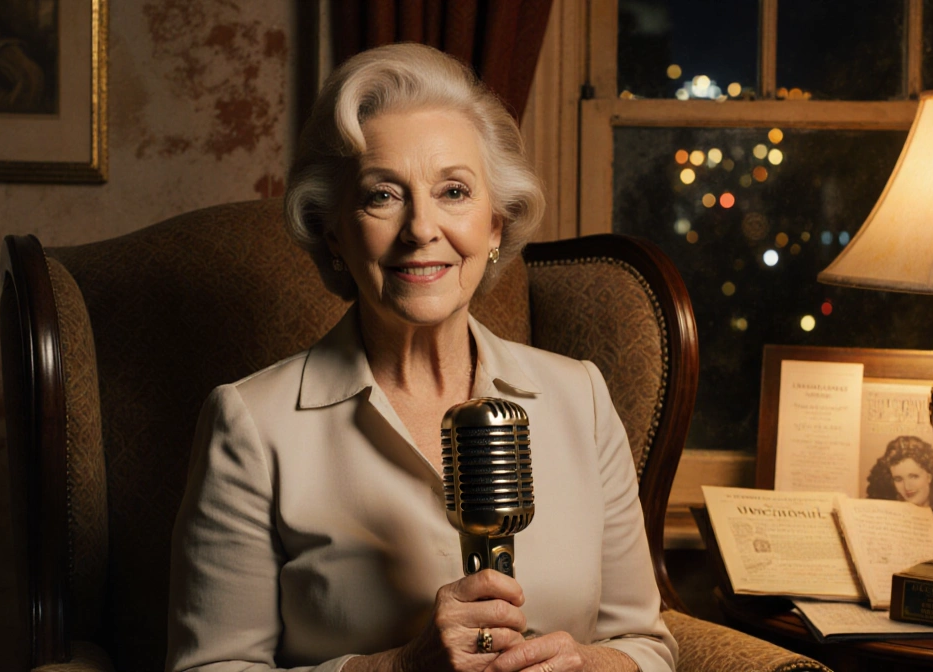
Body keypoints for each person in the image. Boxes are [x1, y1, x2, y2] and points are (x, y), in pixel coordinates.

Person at [165, 43, 677, 672]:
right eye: (383, 195)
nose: (421, 229)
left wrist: (583, 665)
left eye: (454, 191)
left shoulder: (582, 399)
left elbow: (646, 646)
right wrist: (401, 669)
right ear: (334, 231)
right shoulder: (250, 425)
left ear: (495, 225)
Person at [865, 436, 933, 542]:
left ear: (929, 476)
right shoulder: (889, 520)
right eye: (898, 479)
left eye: (913, 476)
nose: (907, 487)